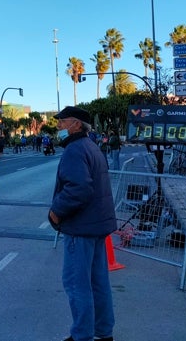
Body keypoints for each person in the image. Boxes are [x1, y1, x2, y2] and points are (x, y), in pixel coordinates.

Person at [48, 106, 117, 341]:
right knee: (98, 282)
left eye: (62, 122)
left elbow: (79, 188)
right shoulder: (91, 146)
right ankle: (103, 332)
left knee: (77, 284)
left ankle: (82, 335)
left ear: (76, 124)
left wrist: (56, 212)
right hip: (97, 225)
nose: (58, 127)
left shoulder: (75, 150)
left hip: (81, 226)